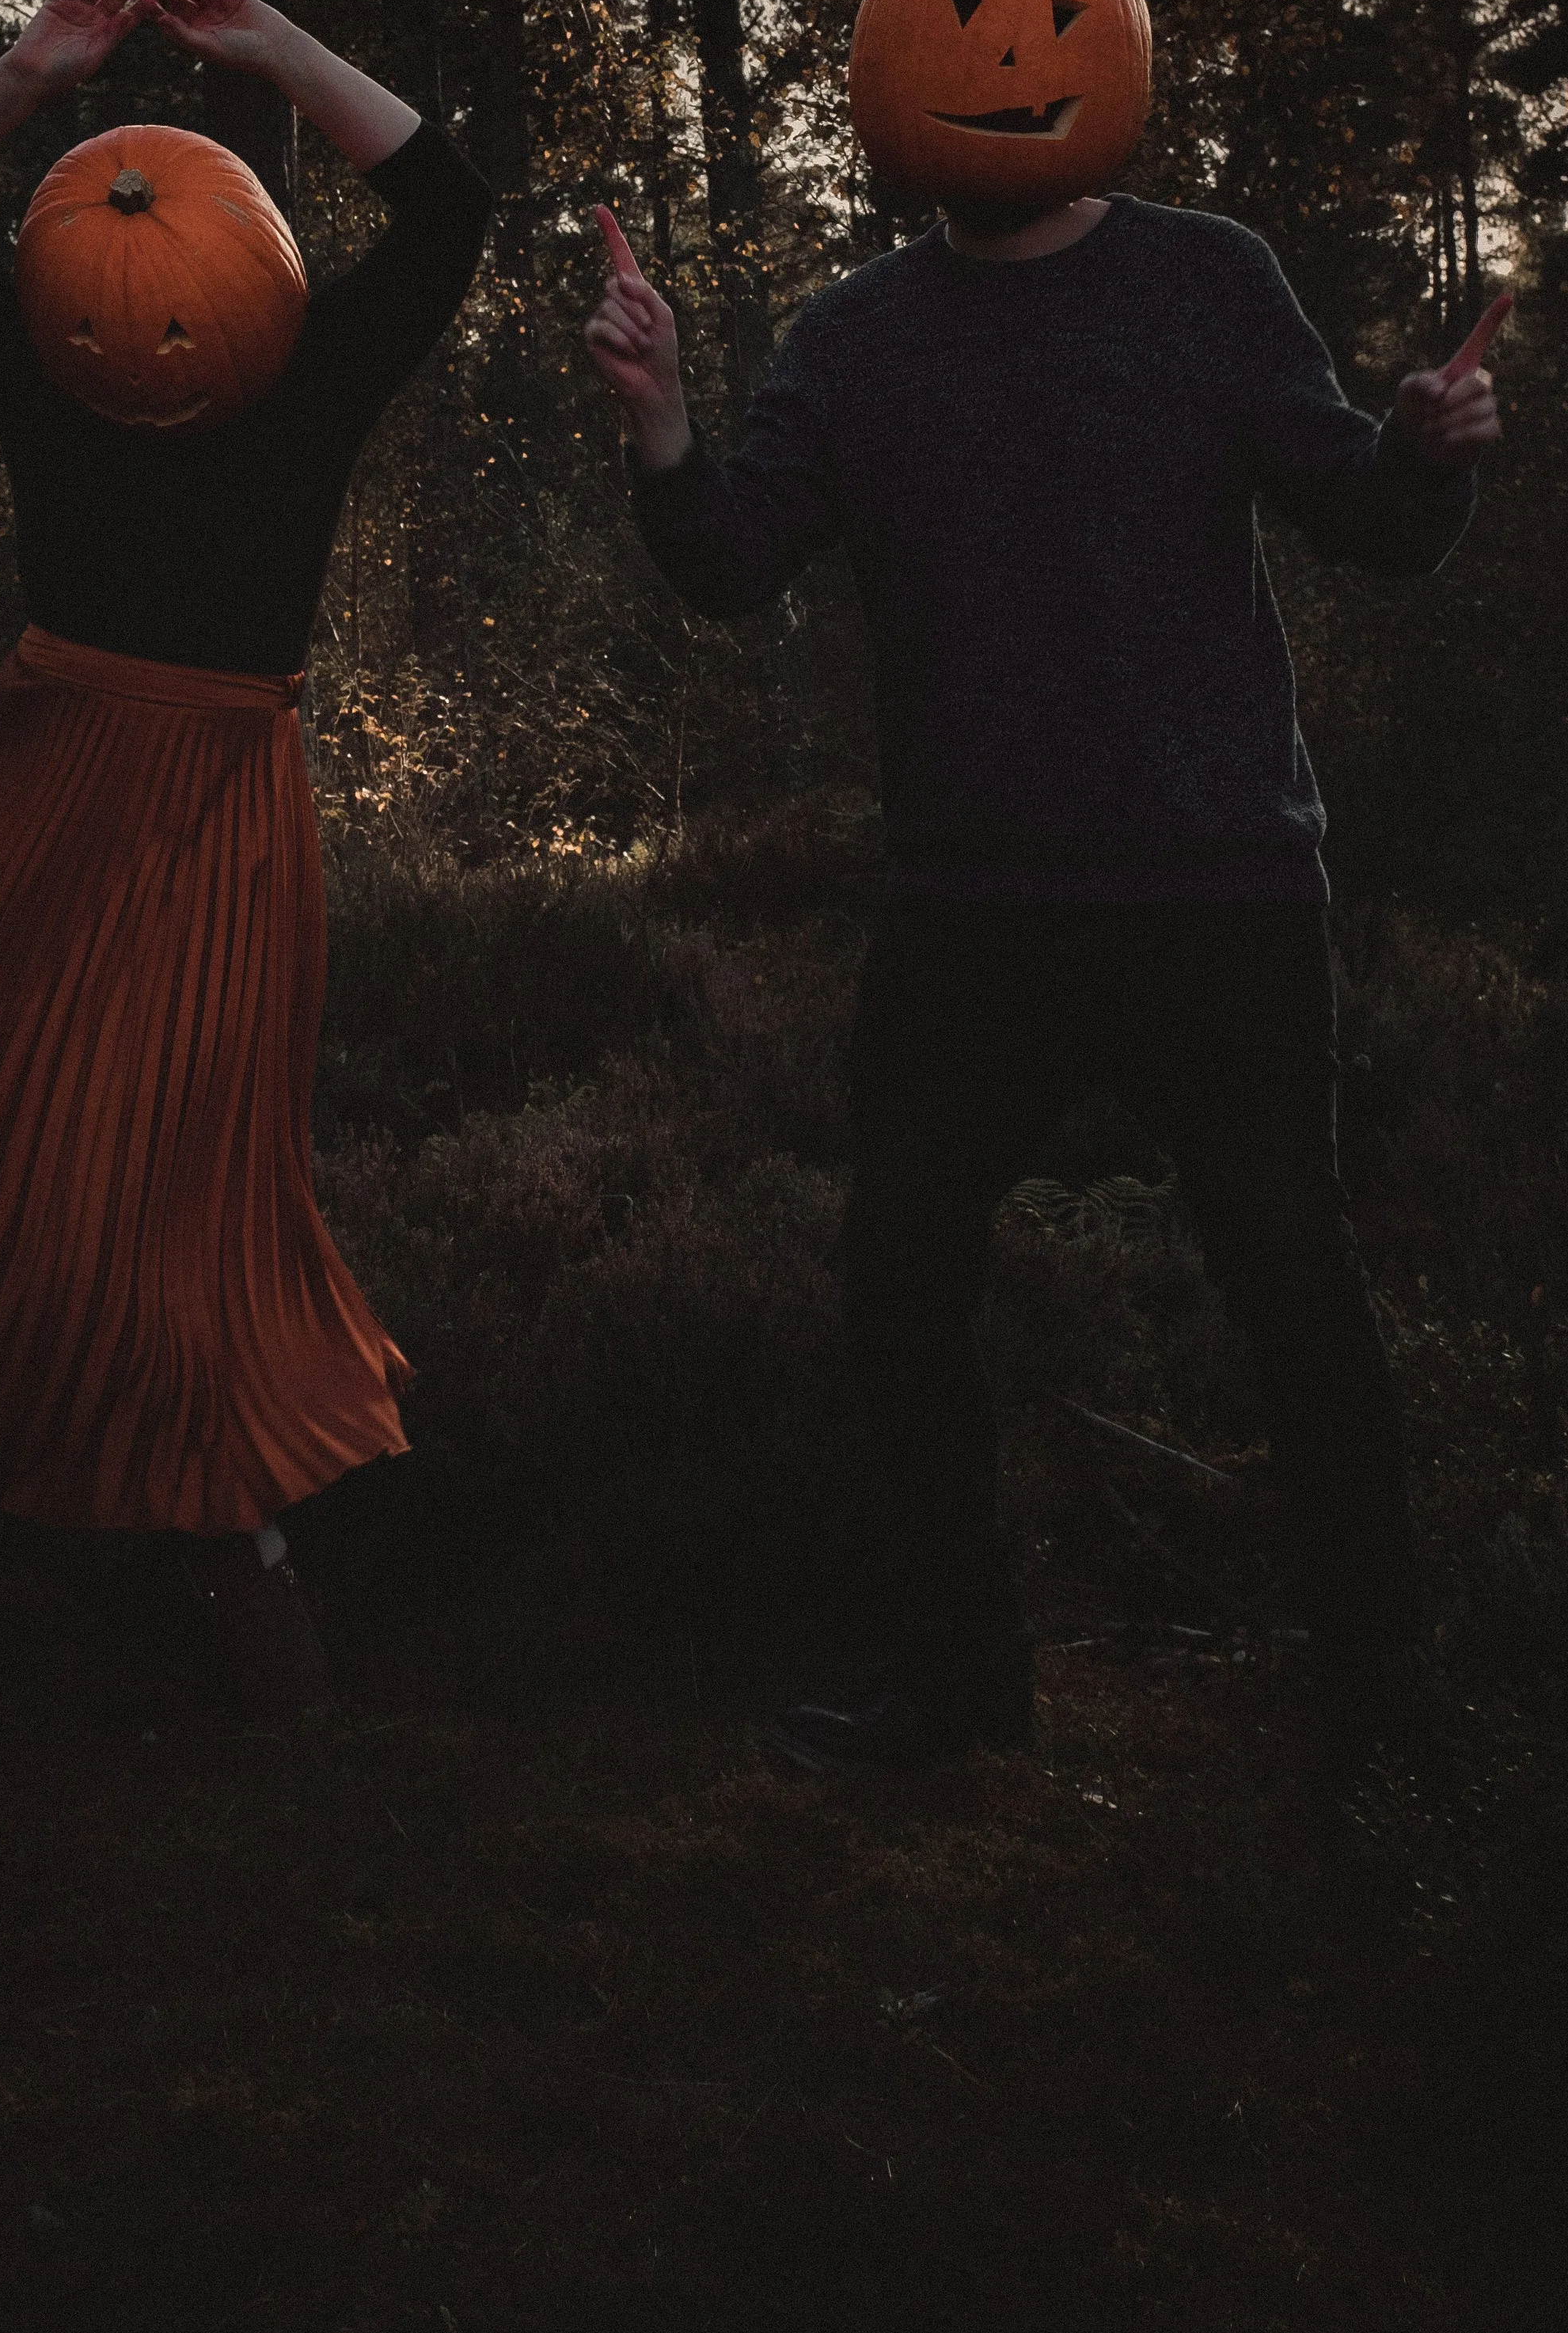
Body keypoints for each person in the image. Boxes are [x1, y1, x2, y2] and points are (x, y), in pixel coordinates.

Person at [582, 115, 1501, 1774]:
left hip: (1211, 885)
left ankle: (1382, 1715)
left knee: (1292, 1278)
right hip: (971, 907)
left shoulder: (1207, 281)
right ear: (891, 103)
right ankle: (954, 1696)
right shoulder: (855, 332)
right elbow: (728, 560)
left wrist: (1425, 453)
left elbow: (1363, 524)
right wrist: (658, 422)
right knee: (900, 1276)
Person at [0, 0, 490, 1717]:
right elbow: (446, 206)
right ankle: (71, 1568)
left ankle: (125, 1559)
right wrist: (275, 51)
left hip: (72, 797)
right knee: (37, 1180)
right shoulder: (305, 379)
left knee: (36, 1183)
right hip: (135, 809)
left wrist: (30, 79)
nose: (138, 349)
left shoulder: (42, 366)